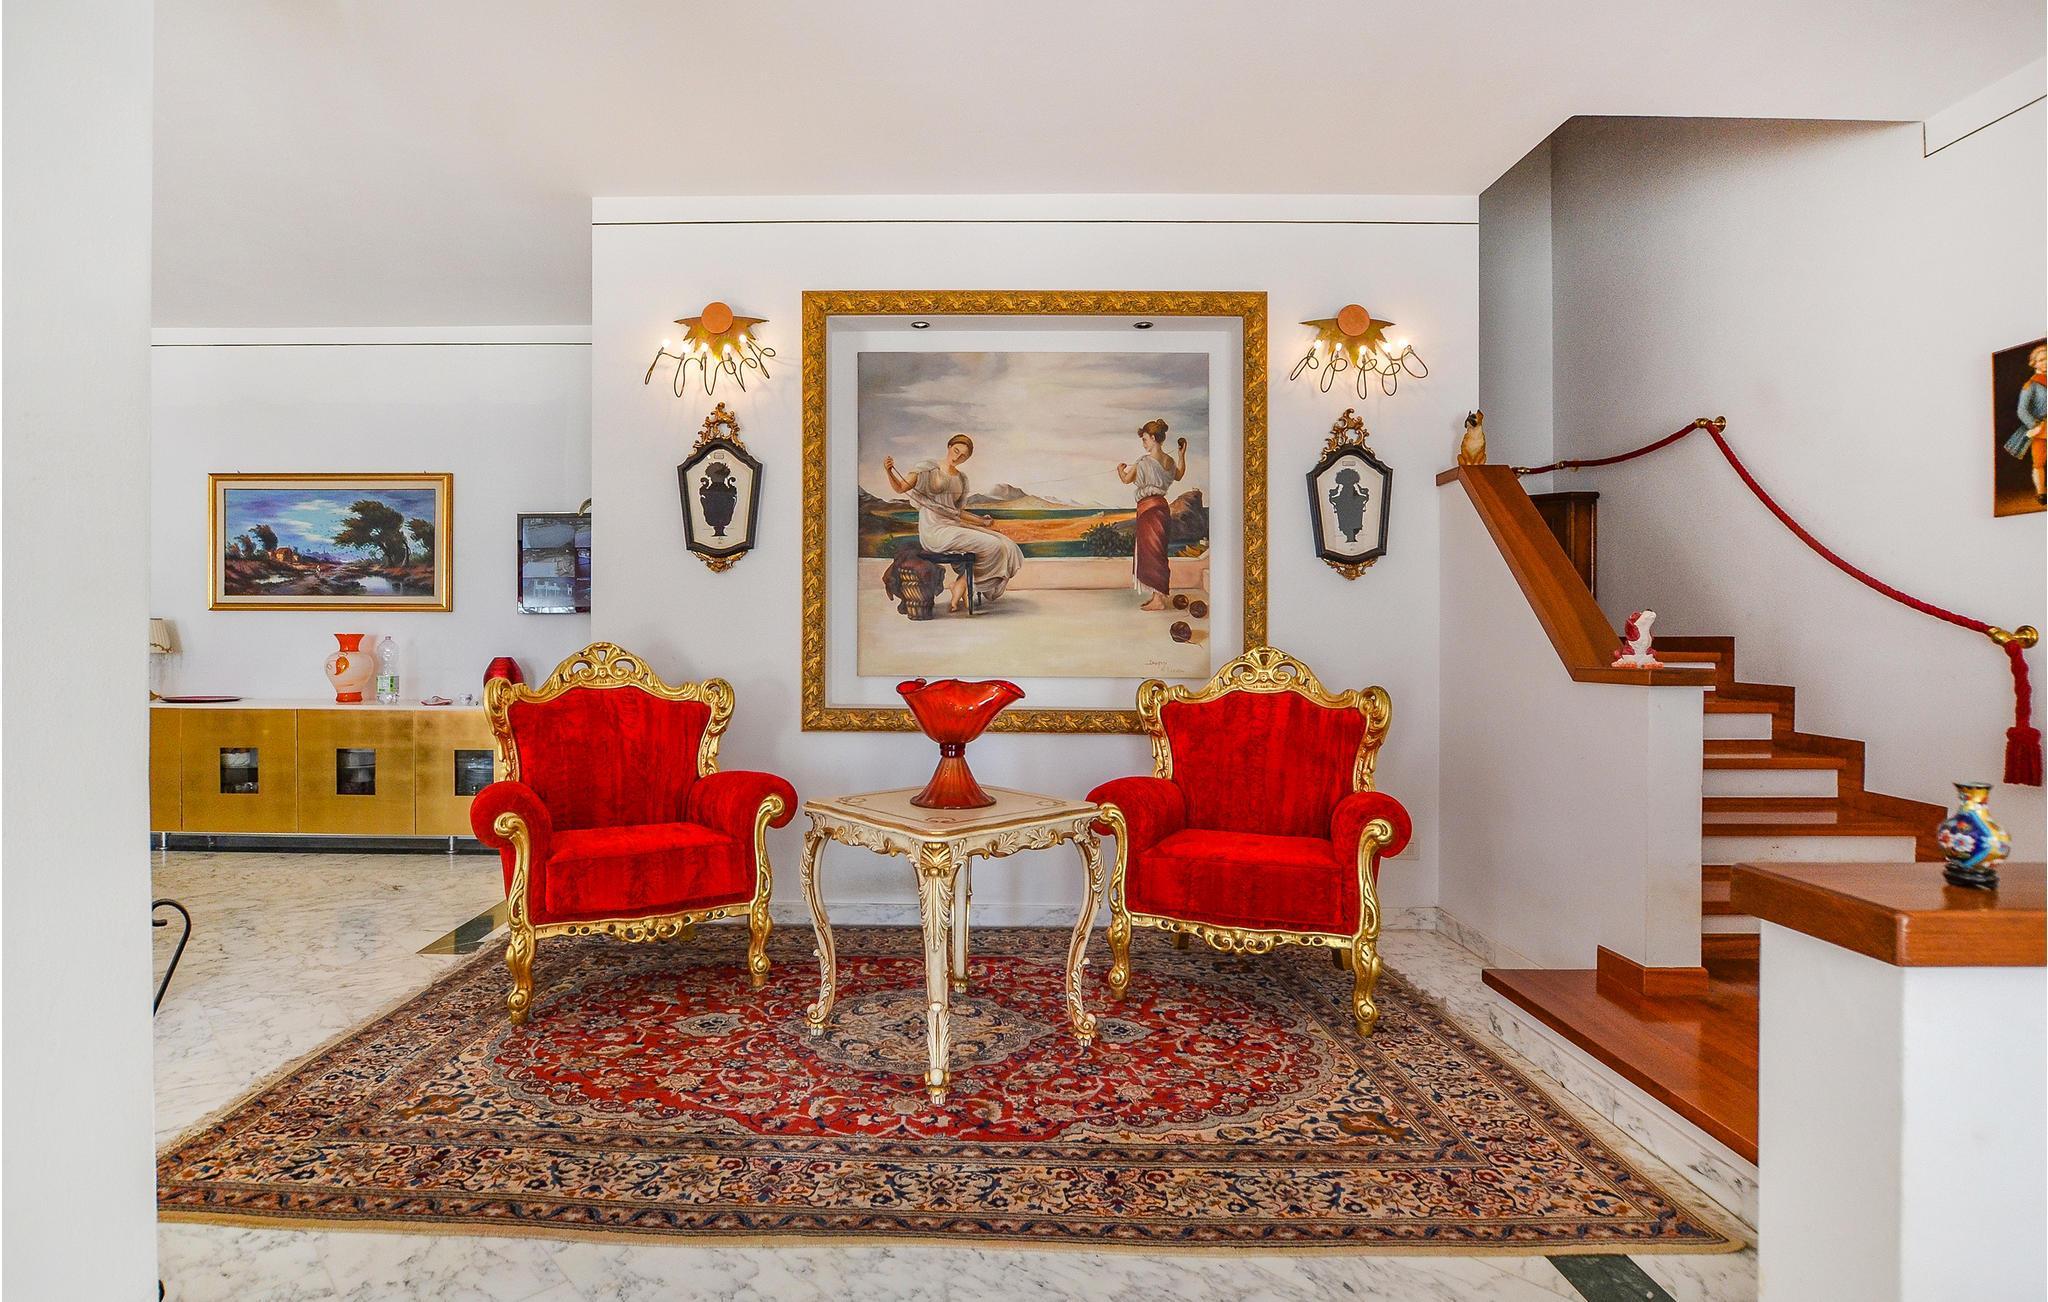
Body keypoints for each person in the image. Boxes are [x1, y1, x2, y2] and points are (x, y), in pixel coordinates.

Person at [883, 434, 1022, 612]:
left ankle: (961, 584)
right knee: (993, 545)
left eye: (963, 456)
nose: (957, 457)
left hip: (953, 527)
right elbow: (900, 488)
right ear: (949, 446)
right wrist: (889, 471)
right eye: (956, 451)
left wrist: (981, 521)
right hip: (934, 531)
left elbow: (957, 512)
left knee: (1007, 545)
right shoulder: (927, 468)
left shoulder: (962, 479)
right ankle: (963, 584)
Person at [1115, 418, 1188, 611]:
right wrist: (1182, 455)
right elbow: (1179, 475)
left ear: (1154, 438)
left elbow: (1126, 479)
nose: (1143, 443)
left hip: (1148, 510)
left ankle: (1159, 600)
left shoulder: (1144, 462)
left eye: (1145, 439)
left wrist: (1120, 470)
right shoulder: (1169, 461)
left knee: (1151, 553)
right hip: (1162, 508)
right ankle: (1158, 596)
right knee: (1158, 552)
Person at [2004, 342, 2047, 506]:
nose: (2045, 362)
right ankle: (2041, 493)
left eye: (2047, 359)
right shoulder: (2031, 385)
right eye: (2041, 360)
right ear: (2034, 364)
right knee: (2039, 461)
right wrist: (2035, 426)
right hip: (2041, 428)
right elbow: (2022, 410)